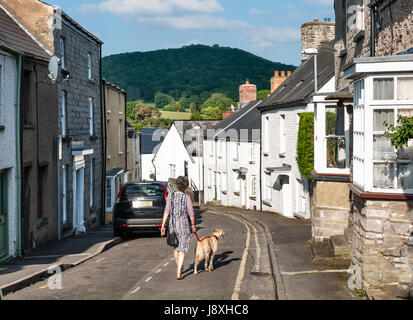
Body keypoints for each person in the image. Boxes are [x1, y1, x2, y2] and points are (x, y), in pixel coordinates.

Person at [161, 176, 196, 279]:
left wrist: (163, 225)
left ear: (176, 184)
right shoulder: (187, 197)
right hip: (184, 225)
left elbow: (166, 211)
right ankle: (178, 271)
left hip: (172, 225)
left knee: (176, 248)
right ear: (186, 186)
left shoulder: (170, 196)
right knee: (182, 249)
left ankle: (179, 267)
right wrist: (193, 225)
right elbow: (191, 213)